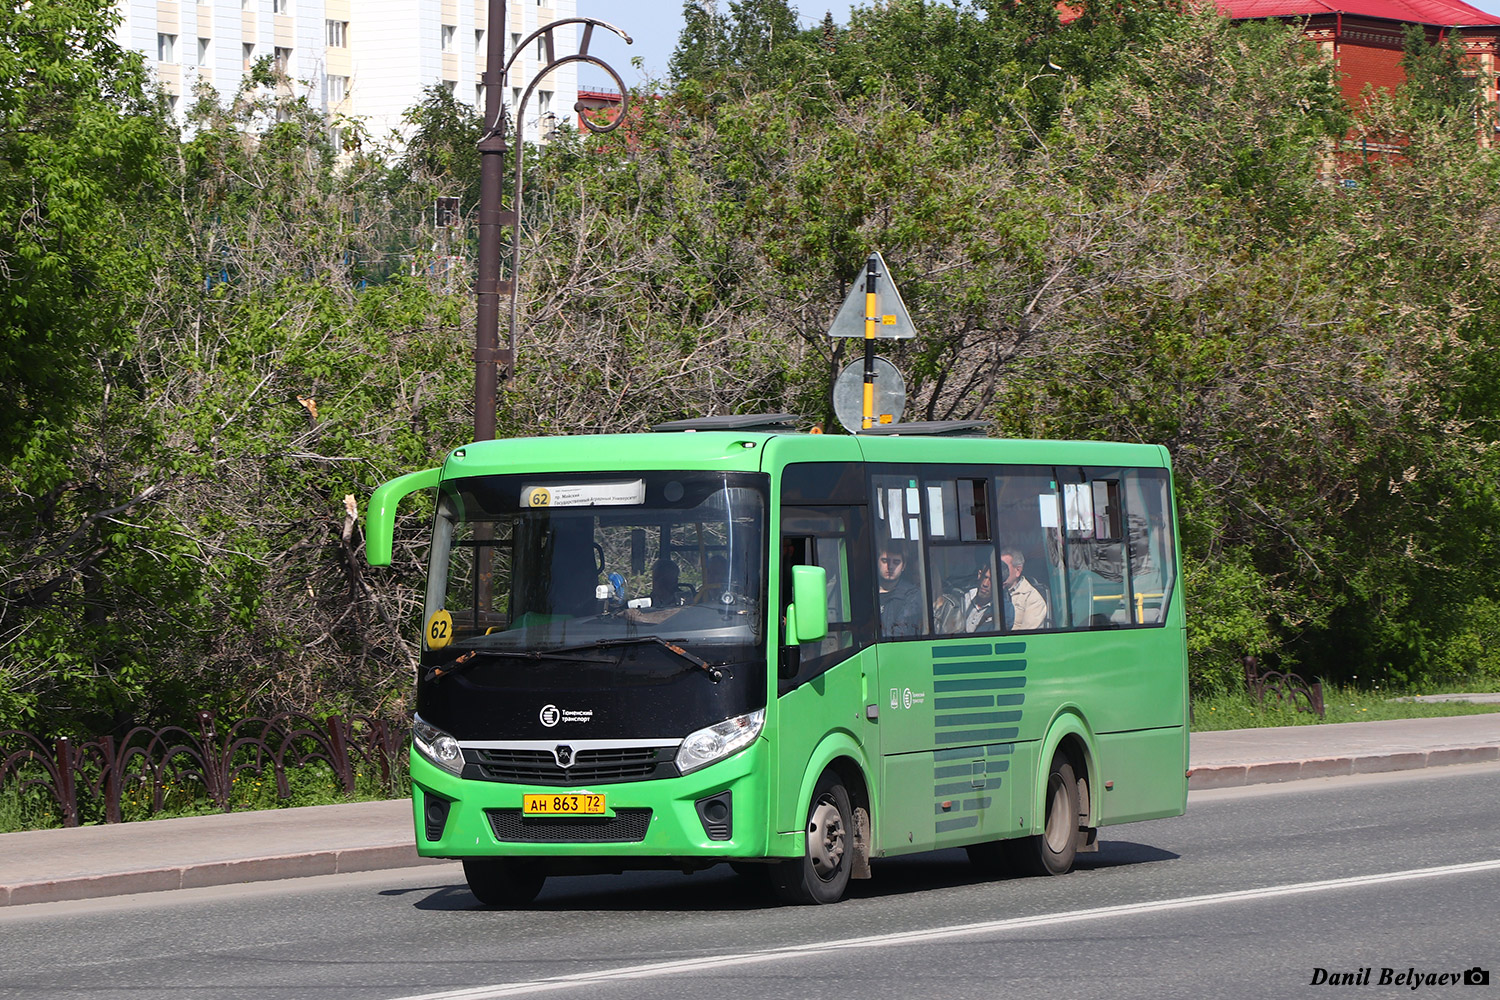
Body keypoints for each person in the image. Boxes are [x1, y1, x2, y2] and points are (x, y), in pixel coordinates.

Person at [877, 541, 922, 637]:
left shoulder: (912, 594)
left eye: (896, 562)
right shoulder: (865, 593)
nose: (890, 566)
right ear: (877, 562)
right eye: (885, 561)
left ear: (903, 566)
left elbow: (902, 632)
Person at [1001, 548, 1047, 630]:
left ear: (1018, 570)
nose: (999, 572)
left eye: (1004, 568)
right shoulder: (988, 591)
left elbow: (1027, 635)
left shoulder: (1034, 600)